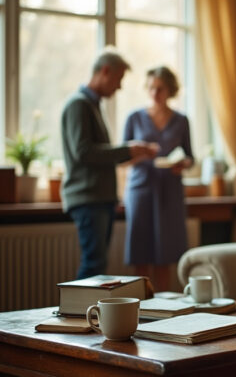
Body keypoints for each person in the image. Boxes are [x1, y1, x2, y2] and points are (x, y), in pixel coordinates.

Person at [61, 49, 157, 279]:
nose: (119, 87)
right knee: (94, 265)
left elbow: (97, 154)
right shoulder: (79, 105)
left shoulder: (91, 105)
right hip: (88, 198)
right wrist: (127, 149)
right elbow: (83, 152)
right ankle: (81, 305)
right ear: (105, 71)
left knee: (97, 265)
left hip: (98, 198)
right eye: (119, 79)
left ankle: (86, 304)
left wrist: (134, 153)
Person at [123, 66, 194, 292]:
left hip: (170, 191)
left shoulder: (181, 120)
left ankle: (162, 305)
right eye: (151, 87)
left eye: (160, 88)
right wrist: (141, 153)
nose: (155, 93)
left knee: (165, 253)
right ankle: (140, 304)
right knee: (141, 251)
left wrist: (183, 164)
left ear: (170, 90)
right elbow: (122, 159)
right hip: (141, 189)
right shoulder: (134, 118)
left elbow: (190, 157)